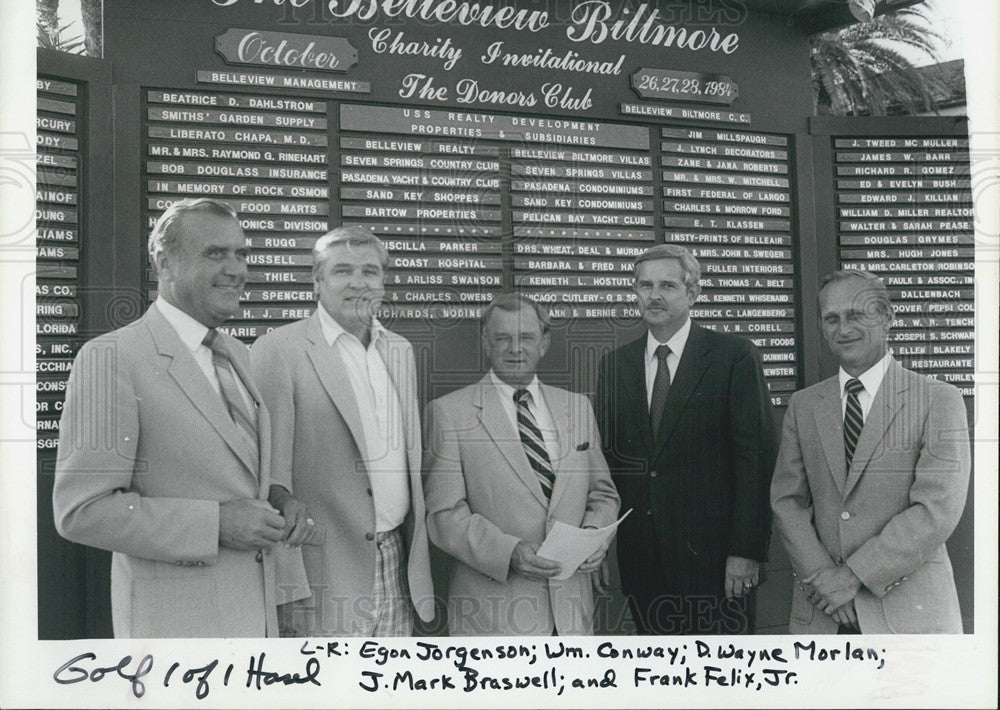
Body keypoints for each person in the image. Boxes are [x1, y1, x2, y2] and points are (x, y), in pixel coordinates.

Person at [54, 199, 286, 637]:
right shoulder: (112, 358)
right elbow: (82, 511)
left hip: (256, 630)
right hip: (177, 638)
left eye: (242, 254)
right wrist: (217, 524)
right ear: (165, 262)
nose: (236, 268)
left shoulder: (238, 354)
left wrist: (279, 496)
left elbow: (227, 472)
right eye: (215, 254)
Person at [251, 225, 434, 636]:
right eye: (342, 271)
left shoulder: (400, 350)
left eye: (370, 271)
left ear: (383, 282)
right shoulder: (278, 350)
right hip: (322, 577)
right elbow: (267, 479)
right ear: (317, 282)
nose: (358, 282)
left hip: (397, 566)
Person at [771, 269, 970, 634]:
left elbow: (936, 509)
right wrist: (823, 581)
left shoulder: (939, 399)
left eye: (857, 314)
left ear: (887, 317)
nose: (843, 328)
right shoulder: (803, 406)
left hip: (909, 615)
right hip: (824, 615)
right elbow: (788, 502)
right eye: (832, 318)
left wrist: (852, 577)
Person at [595, 244, 777, 634]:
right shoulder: (615, 366)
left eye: (667, 285)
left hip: (718, 567)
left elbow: (756, 460)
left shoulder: (733, 356)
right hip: (643, 565)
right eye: (645, 286)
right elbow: (607, 465)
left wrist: (746, 551)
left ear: (692, 293)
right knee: (659, 684)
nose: (654, 296)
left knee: (721, 685)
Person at [423, 294, 620, 635]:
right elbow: (443, 515)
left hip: (572, 614)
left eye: (527, 338)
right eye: (503, 338)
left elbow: (602, 494)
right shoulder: (448, 414)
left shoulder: (577, 408)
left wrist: (593, 538)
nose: (516, 349)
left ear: (544, 343)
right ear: (486, 343)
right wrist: (508, 552)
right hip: (493, 618)